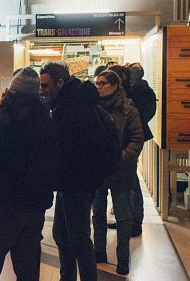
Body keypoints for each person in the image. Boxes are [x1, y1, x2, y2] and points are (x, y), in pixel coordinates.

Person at [0, 68, 58, 281]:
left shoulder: (1, 120)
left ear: (13, 92)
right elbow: (54, 163)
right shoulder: (46, 121)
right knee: (27, 267)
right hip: (33, 206)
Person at [40, 62, 120, 281]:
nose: (42, 90)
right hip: (71, 182)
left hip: (77, 183)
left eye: (46, 86)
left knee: (78, 238)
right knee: (62, 234)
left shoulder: (73, 108)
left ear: (60, 83)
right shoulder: (72, 102)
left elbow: (74, 149)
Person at [91, 70, 144, 276]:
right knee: (98, 213)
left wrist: (121, 158)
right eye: (97, 83)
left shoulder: (127, 109)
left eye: (103, 83)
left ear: (115, 85)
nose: (99, 87)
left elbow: (136, 138)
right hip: (99, 169)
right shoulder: (94, 108)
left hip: (121, 170)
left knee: (123, 216)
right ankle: (99, 250)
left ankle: (123, 257)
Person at [126, 63, 157, 236]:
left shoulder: (136, 89)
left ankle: (134, 221)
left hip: (133, 136)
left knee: (131, 180)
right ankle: (131, 219)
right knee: (131, 179)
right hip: (139, 134)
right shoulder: (142, 88)